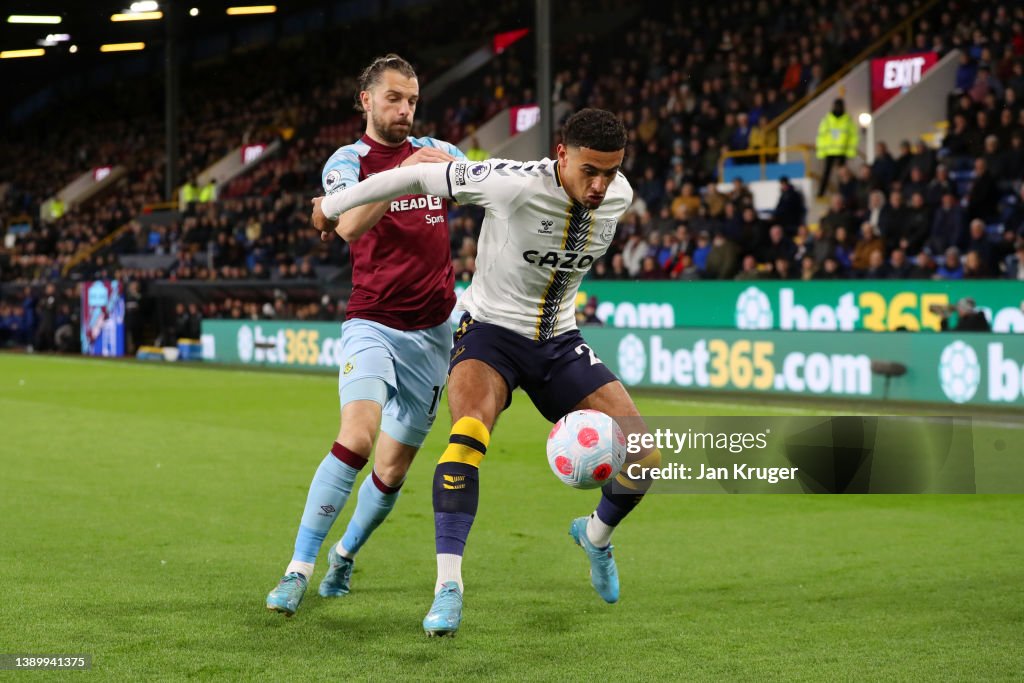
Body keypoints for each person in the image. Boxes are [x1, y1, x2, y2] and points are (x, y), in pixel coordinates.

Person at [313, 108, 660, 637]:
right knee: (467, 438)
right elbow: (411, 175)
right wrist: (332, 205)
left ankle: (594, 537)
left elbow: (608, 189)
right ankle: (448, 587)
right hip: (490, 335)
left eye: (610, 172)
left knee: (646, 452)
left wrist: (611, 180)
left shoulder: (620, 195)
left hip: (559, 342)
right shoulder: (509, 183)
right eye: (590, 170)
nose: (600, 185)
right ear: (561, 155)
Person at [265, 54, 465, 617]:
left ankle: (345, 553)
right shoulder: (348, 160)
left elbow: (487, 188)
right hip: (372, 322)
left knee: (392, 469)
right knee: (357, 436)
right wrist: (406, 175)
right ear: (367, 100)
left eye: (412, 101)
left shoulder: (440, 152)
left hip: (434, 334)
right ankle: (297, 569)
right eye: (394, 99)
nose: (405, 110)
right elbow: (347, 224)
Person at [815, 98, 858, 197]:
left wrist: (850, 152)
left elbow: (853, 137)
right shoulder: (827, 119)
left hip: (842, 151)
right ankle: (821, 193)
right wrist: (821, 152)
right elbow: (821, 136)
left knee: (842, 174)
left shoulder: (848, 120)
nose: (838, 108)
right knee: (826, 173)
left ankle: (842, 193)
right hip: (829, 151)